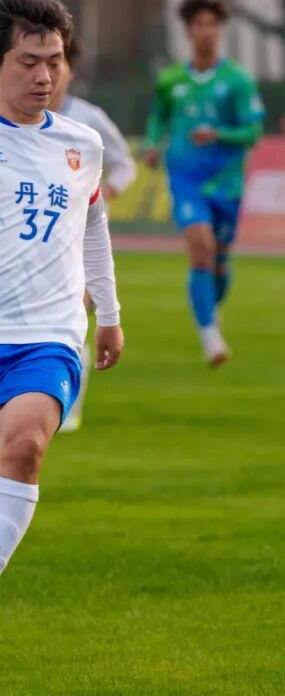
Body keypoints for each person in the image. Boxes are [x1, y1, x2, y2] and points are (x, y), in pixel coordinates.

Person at [0, 0, 124, 576]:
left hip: (47, 336)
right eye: (28, 61)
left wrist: (111, 314)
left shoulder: (82, 144)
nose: (45, 76)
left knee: (24, 447)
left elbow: (93, 226)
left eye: (54, 60)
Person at [144, 0, 265, 366]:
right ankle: (211, 338)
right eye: (199, 24)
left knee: (219, 263)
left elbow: (253, 132)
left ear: (220, 30)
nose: (206, 31)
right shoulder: (171, 79)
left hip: (226, 182)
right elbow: (159, 116)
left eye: (212, 24)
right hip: (186, 178)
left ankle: (211, 308)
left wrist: (219, 134)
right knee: (200, 245)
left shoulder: (237, 81)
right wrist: (152, 144)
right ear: (188, 30)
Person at [48, 34, 136, 432]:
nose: (48, 74)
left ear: (70, 70)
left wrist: (106, 193)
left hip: (79, 238)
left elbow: (124, 163)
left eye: (57, 63)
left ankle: (69, 405)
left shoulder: (88, 120)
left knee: (75, 315)